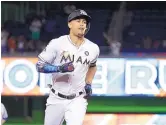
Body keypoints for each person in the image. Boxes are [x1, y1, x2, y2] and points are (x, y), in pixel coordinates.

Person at [36, 9, 100, 125]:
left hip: (78, 99)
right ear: (69, 24)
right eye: (78, 21)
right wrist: (59, 69)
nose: (82, 24)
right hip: (56, 97)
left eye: (84, 22)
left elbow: (93, 66)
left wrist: (89, 83)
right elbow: (39, 66)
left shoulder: (93, 48)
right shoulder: (57, 43)